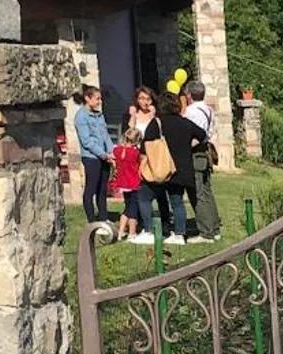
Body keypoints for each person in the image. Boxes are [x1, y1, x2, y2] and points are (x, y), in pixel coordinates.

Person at [127, 85, 190, 245]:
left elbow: (145, 144)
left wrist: (143, 163)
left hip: (158, 167)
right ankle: (179, 234)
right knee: (176, 202)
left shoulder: (157, 123)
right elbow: (201, 135)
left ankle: (149, 230)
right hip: (179, 168)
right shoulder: (183, 122)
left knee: (144, 196)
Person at [183, 79, 222, 241]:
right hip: (205, 151)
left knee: (198, 192)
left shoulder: (192, 111)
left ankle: (206, 232)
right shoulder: (209, 110)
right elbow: (211, 130)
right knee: (206, 191)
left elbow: (195, 135)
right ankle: (214, 227)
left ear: (189, 94)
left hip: (196, 153)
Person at [74, 85, 112, 225]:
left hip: (104, 156)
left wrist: (110, 151)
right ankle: (91, 220)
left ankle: (103, 217)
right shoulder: (81, 116)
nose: (99, 101)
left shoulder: (99, 115)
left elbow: (105, 135)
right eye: (97, 99)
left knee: (102, 189)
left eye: (100, 99)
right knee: (91, 188)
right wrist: (102, 154)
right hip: (91, 158)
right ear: (87, 98)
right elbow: (86, 141)